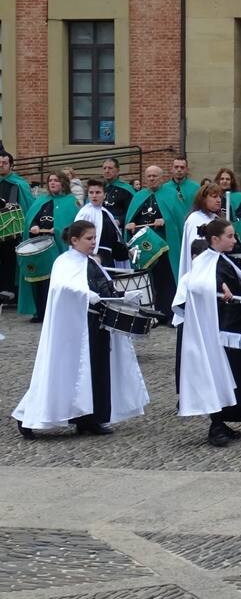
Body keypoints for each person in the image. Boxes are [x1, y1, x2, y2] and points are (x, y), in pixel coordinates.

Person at [12, 220, 148, 438]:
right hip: (76, 328)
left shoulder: (91, 262)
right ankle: (28, 416)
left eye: (94, 238)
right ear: (74, 240)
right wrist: (86, 294)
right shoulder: (64, 262)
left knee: (97, 371)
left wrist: (123, 297)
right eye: (88, 238)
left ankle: (89, 419)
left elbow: (104, 288)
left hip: (97, 325)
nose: (93, 242)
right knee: (68, 371)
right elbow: (62, 286)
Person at [174, 218, 241, 447]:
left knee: (239, 374)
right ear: (215, 239)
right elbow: (197, 288)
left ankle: (224, 420)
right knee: (219, 374)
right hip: (216, 331)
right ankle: (217, 424)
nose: (235, 240)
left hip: (231, 328)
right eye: (230, 236)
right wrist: (220, 293)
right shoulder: (205, 262)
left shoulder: (224, 261)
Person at [21, 170, 79, 322]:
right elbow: (32, 218)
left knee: (54, 281)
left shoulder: (70, 201)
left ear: (63, 183)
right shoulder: (41, 200)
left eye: (56, 180)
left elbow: (73, 225)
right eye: (50, 180)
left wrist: (58, 229)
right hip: (39, 247)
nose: (52, 183)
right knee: (38, 281)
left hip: (57, 248)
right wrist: (33, 226)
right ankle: (39, 312)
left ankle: (55, 311)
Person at [124, 165, 176, 325]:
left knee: (165, 281)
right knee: (145, 281)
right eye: (149, 176)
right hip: (142, 246)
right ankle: (146, 314)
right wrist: (131, 224)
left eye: (155, 176)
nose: (152, 178)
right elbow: (131, 218)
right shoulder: (139, 196)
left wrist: (166, 221)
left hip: (163, 246)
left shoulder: (171, 195)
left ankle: (166, 314)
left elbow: (177, 220)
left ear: (162, 178)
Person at [158, 156, 202, 281]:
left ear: (187, 169)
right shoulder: (164, 188)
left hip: (190, 230)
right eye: (176, 167)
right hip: (171, 232)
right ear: (171, 169)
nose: (179, 170)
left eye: (182, 167)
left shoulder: (195, 188)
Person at [0, 151, 35, 304]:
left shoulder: (19, 184)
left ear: (11, 165)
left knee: (11, 263)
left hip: (13, 233)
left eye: (4, 163)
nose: (1, 166)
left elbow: (28, 207)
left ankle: (12, 293)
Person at [76, 179, 129, 269]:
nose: (94, 196)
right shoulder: (85, 213)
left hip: (109, 258)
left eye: (98, 192)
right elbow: (79, 238)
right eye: (91, 193)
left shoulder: (107, 213)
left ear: (104, 195)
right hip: (94, 258)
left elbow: (113, 239)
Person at [179, 183, 224, 283]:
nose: (219, 200)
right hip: (201, 274)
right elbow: (198, 249)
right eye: (214, 196)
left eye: (220, 197)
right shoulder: (195, 219)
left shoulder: (214, 218)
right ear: (203, 199)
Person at [100, 158, 137, 227]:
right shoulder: (100, 188)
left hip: (118, 228)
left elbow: (132, 212)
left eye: (110, 168)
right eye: (104, 168)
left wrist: (119, 220)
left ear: (118, 171)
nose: (107, 171)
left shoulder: (126, 190)